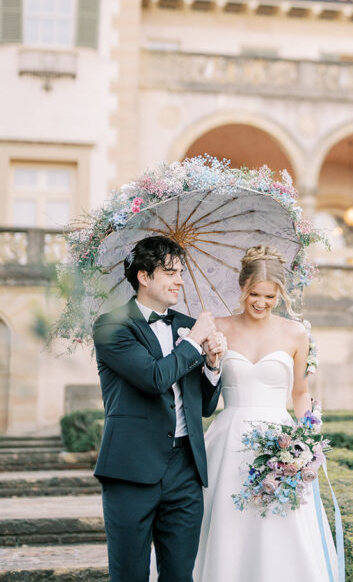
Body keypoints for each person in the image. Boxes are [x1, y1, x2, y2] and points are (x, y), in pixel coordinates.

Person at [194, 244, 339, 582]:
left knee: (280, 527)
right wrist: (211, 362)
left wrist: (308, 445)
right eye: (254, 293)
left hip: (282, 441)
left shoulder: (296, 333)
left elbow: (301, 394)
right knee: (228, 525)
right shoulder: (218, 329)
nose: (260, 302)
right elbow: (205, 399)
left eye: (269, 296)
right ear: (242, 288)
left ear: (280, 295)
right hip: (227, 441)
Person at [93, 234, 228, 582]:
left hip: (185, 469)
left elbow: (205, 406)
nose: (180, 280)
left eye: (180, 272)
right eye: (170, 272)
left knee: (180, 575)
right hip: (131, 470)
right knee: (129, 574)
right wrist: (195, 342)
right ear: (144, 276)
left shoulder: (185, 324)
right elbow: (154, 379)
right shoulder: (112, 326)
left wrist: (212, 364)